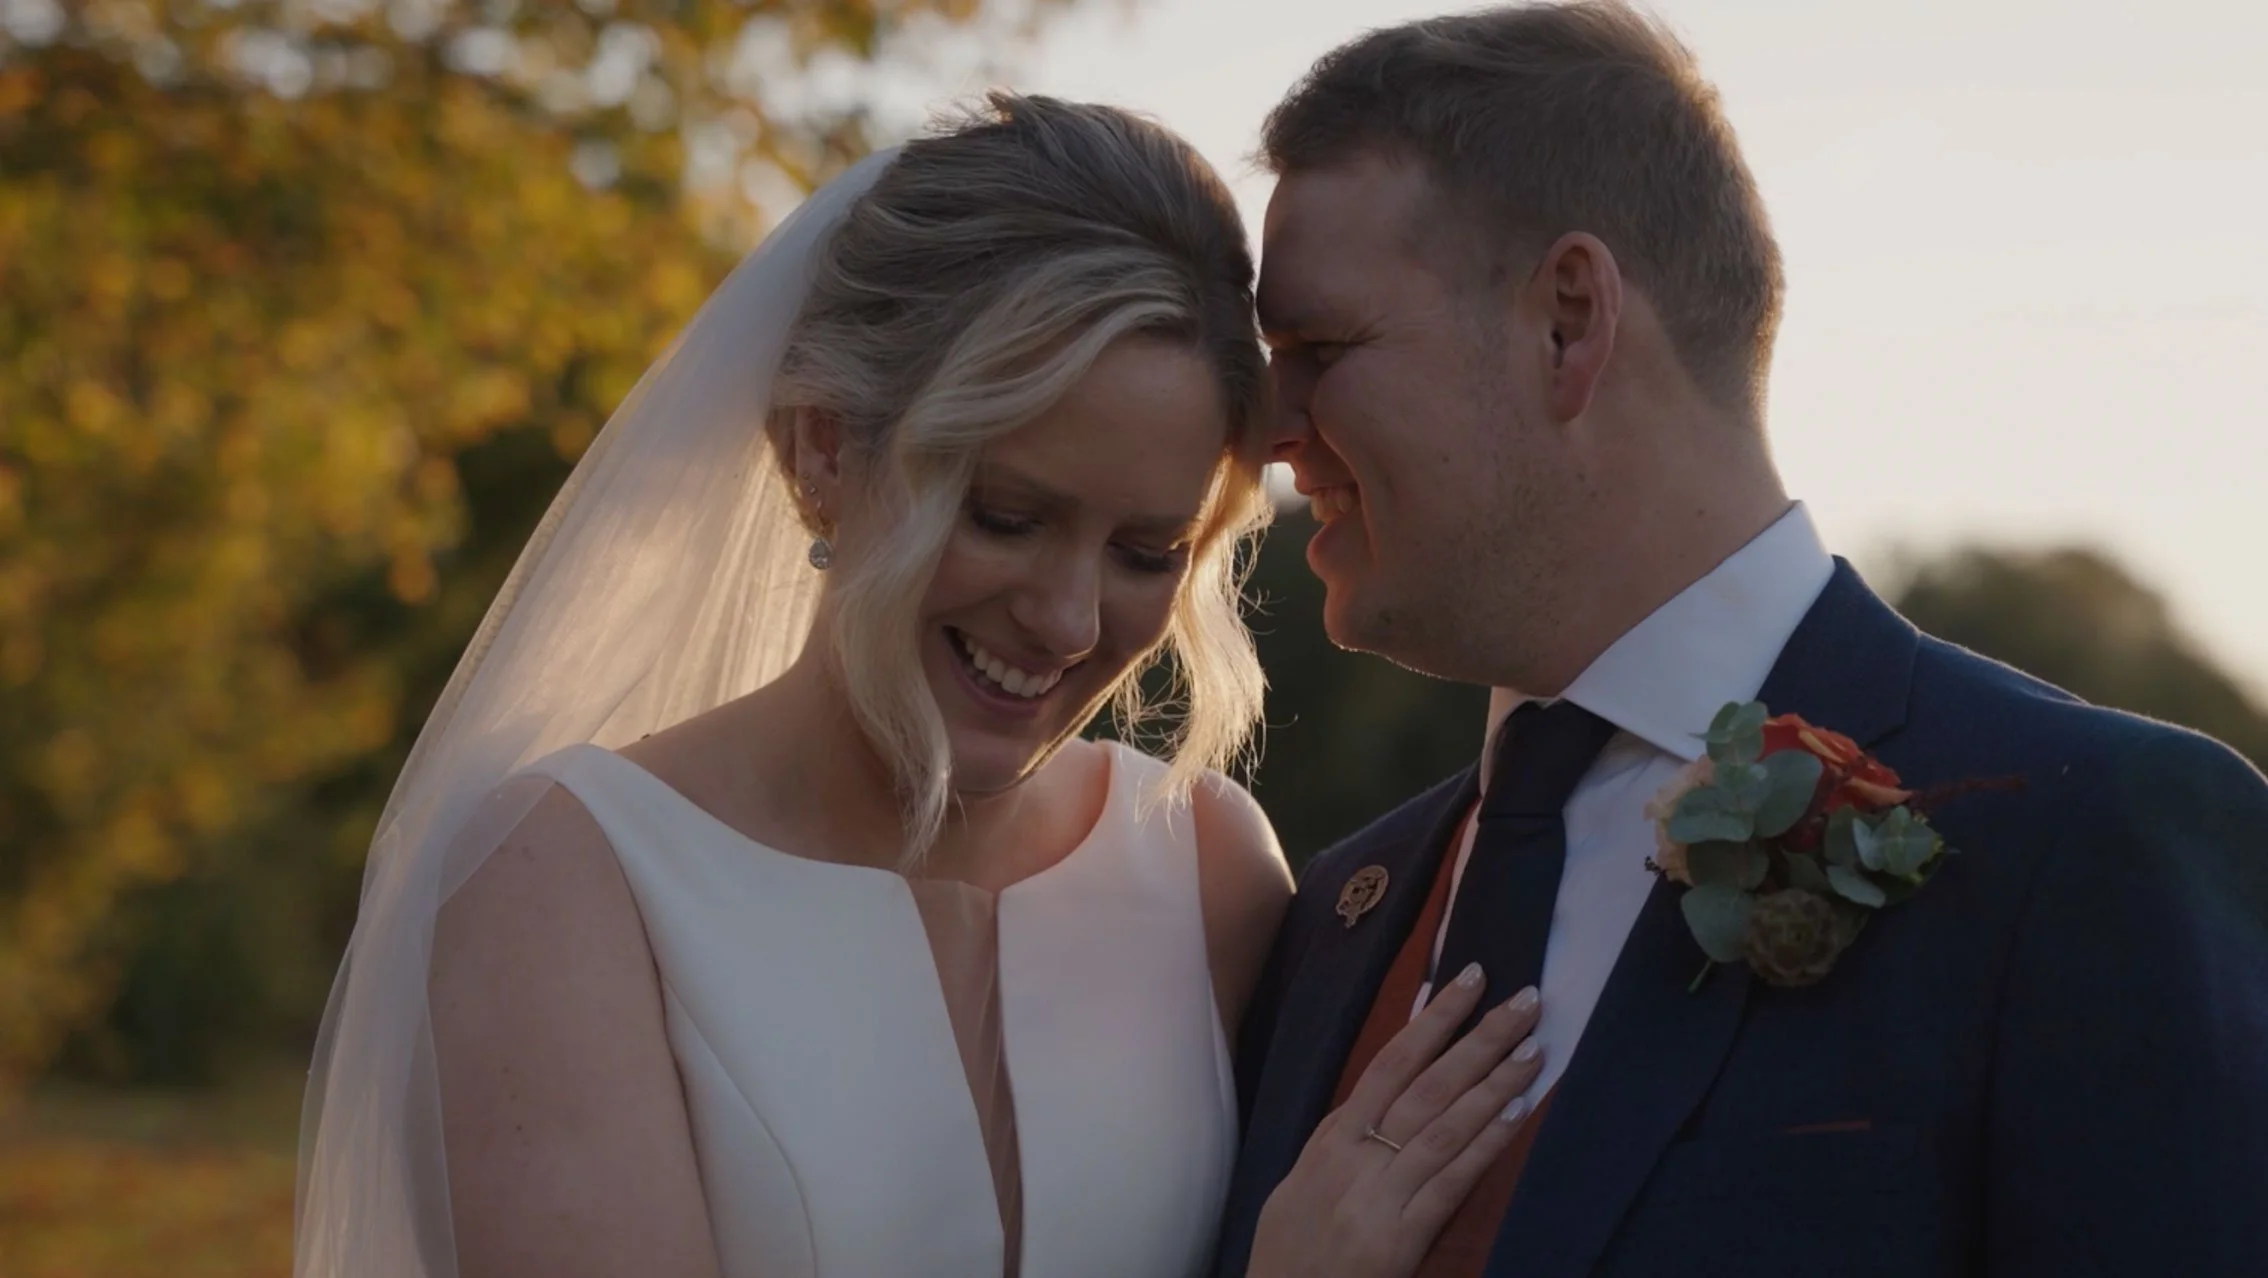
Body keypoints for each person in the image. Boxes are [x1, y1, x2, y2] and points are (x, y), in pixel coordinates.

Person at [295, 94, 1540, 1278]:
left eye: (1144, 552)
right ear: (822, 448)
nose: (1063, 620)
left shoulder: (1210, 866)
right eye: (1003, 515)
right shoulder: (562, 879)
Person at [1217, 5, 2268, 1276]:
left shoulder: (2091, 838)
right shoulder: (1331, 912)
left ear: (1569, 318)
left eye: (1318, 348)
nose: (1270, 429)